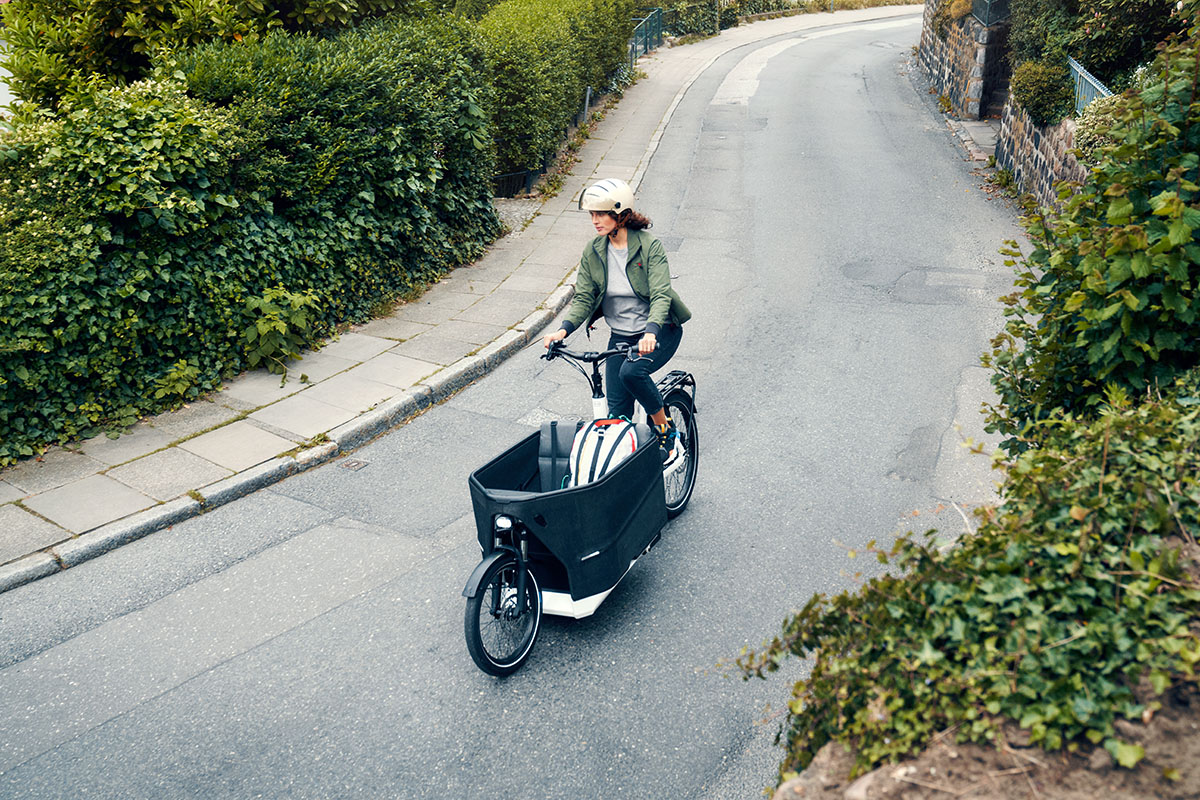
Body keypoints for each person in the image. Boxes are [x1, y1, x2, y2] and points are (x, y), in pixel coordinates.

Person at [543, 178, 691, 461]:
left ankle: (665, 430)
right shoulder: (594, 251)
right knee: (617, 417)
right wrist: (562, 331)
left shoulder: (650, 247)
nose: (595, 220)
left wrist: (650, 332)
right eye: (592, 214)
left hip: (660, 331)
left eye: (601, 213)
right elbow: (584, 297)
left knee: (631, 373)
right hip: (621, 337)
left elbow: (661, 294)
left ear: (620, 213)